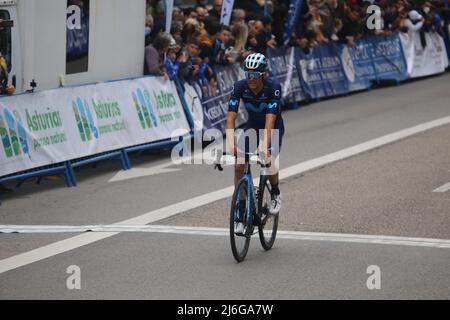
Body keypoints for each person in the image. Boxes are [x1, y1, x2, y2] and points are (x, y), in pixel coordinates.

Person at [226, 53, 284, 234]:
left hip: (272, 127)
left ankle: (275, 193)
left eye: (255, 75)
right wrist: (230, 142)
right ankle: (241, 213)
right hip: (252, 127)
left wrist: (264, 145)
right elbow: (230, 118)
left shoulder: (273, 87)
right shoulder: (239, 87)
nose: (251, 78)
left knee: (267, 157)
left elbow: (270, 120)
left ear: (263, 75)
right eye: (248, 74)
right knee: (238, 166)